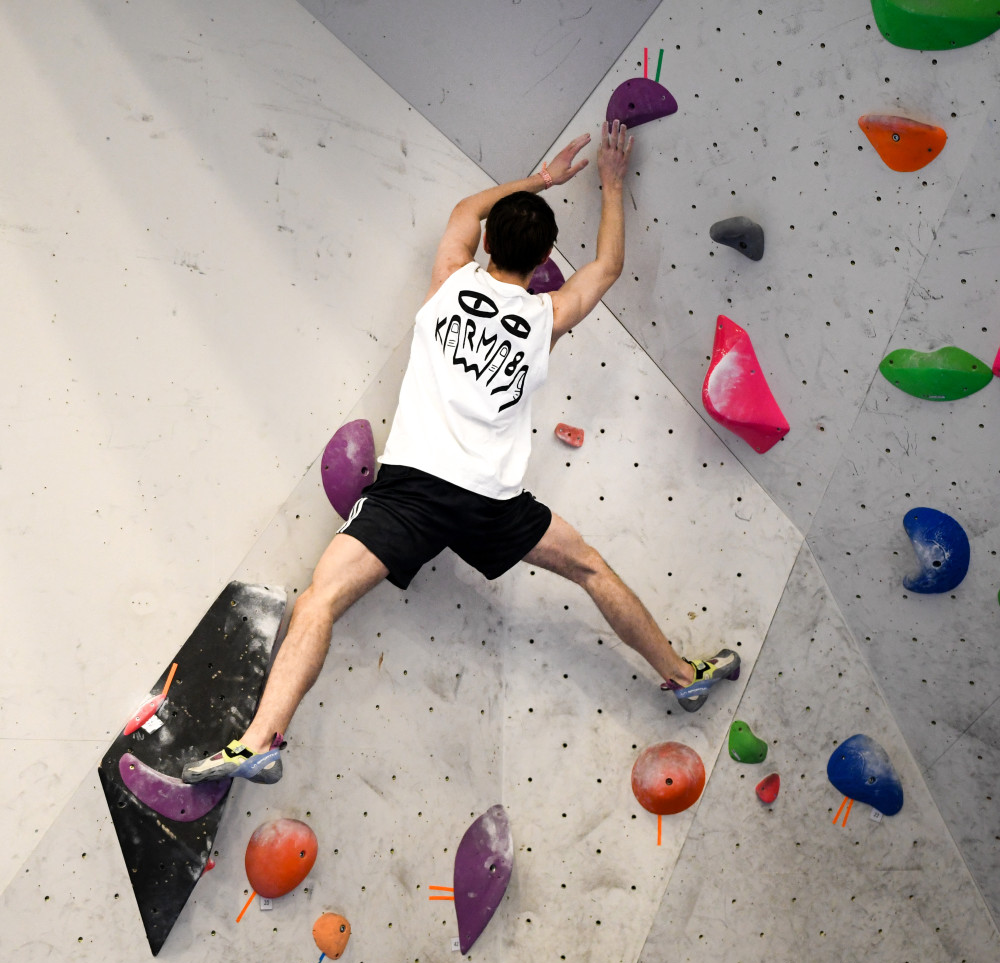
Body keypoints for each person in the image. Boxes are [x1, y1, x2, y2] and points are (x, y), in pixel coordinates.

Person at [182, 121, 739, 785]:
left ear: (488, 242)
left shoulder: (449, 280)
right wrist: (611, 183)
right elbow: (608, 267)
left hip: (410, 492)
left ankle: (259, 741)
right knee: (590, 568)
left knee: (319, 601)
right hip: (487, 502)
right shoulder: (547, 317)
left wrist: (544, 179)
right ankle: (680, 675)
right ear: (543, 260)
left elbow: (463, 211)